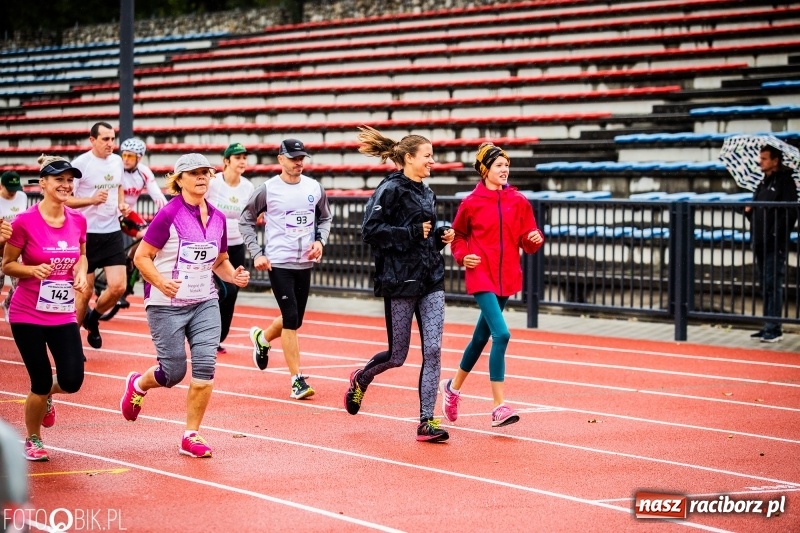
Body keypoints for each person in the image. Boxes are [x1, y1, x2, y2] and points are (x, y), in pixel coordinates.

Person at [120, 153, 250, 458]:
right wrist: (160, 282)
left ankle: (191, 434)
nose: (202, 177)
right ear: (179, 180)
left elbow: (220, 261)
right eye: (194, 173)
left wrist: (233, 276)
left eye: (205, 172)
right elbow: (141, 256)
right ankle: (138, 384)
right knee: (173, 372)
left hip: (205, 300)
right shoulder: (168, 214)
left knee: (205, 366)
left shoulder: (218, 217)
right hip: (166, 303)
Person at [343, 126, 454, 443]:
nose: (432, 161)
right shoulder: (389, 190)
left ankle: (426, 421)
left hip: (431, 278)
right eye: (427, 155)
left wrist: (440, 236)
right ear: (408, 158)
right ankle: (362, 378)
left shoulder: (427, 192)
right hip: (399, 280)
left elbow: (426, 236)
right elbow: (370, 231)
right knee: (398, 355)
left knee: (433, 350)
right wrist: (411, 232)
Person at [438, 142, 544, 428]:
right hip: (481, 275)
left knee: (480, 338)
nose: (504, 169)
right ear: (485, 169)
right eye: (499, 165)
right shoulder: (471, 202)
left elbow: (528, 238)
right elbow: (458, 236)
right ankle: (499, 406)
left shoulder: (518, 201)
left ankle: (452, 388)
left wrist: (534, 238)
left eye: (507, 165)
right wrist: (463, 256)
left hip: (507, 276)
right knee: (502, 334)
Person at [3, 156, 88, 461]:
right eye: (59, 179)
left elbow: (82, 255)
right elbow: (8, 264)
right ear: (43, 183)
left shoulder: (78, 220)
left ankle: (48, 396)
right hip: (27, 314)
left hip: (62, 312)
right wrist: (32, 270)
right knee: (39, 381)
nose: (66, 185)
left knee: (72, 380)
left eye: (69, 180)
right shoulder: (24, 221)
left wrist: (80, 272)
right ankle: (33, 438)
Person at [240, 138, 332, 399]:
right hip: (279, 261)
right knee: (291, 318)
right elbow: (245, 220)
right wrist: (257, 253)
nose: (298, 162)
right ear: (280, 159)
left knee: (296, 319)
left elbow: (325, 217)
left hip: (305, 262)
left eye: (301, 158)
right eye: (293, 158)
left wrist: (320, 241)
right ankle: (296, 380)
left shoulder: (314, 188)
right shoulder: (267, 189)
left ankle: (262, 339)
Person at [67, 122, 130, 350]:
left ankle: (93, 319)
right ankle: (73, 345)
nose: (110, 144)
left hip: (111, 231)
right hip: (85, 235)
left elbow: (119, 186)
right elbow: (65, 199)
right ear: (92, 140)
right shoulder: (80, 164)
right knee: (85, 292)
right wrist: (91, 200)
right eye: (105, 139)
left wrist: (121, 203)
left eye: (112, 139)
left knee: (118, 287)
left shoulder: (117, 161)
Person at [744, 144, 799, 343]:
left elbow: (791, 212)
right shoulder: (762, 183)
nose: (760, 162)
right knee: (765, 284)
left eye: (764, 158)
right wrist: (748, 211)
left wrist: (776, 234)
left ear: (775, 161)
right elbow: (757, 211)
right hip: (760, 241)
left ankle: (774, 328)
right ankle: (768, 324)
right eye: (760, 158)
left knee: (772, 283)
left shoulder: (785, 182)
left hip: (775, 243)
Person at [206, 142, 254, 354]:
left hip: (236, 244)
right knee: (228, 289)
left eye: (244, 157)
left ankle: (216, 337)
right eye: (237, 157)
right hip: (214, 247)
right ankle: (209, 334)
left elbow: (249, 216)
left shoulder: (248, 187)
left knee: (233, 292)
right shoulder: (214, 183)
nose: (242, 161)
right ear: (226, 161)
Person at [117, 137, 168, 308]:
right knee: (142, 235)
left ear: (139, 158)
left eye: (130, 156)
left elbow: (158, 196)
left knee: (146, 236)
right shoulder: (116, 169)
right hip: (111, 213)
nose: (125, 159)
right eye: (124, 155)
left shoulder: (144, 172)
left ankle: (130, 262)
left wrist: (169, 214)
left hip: (128, 213)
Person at [0, 171, 29, 318]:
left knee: (20, 284)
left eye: (15, 189)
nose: (13, 193)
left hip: (16, 248)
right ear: (1, 185)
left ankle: (8, 303)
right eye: (9, 189)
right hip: (0, 249)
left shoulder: (22, 196)